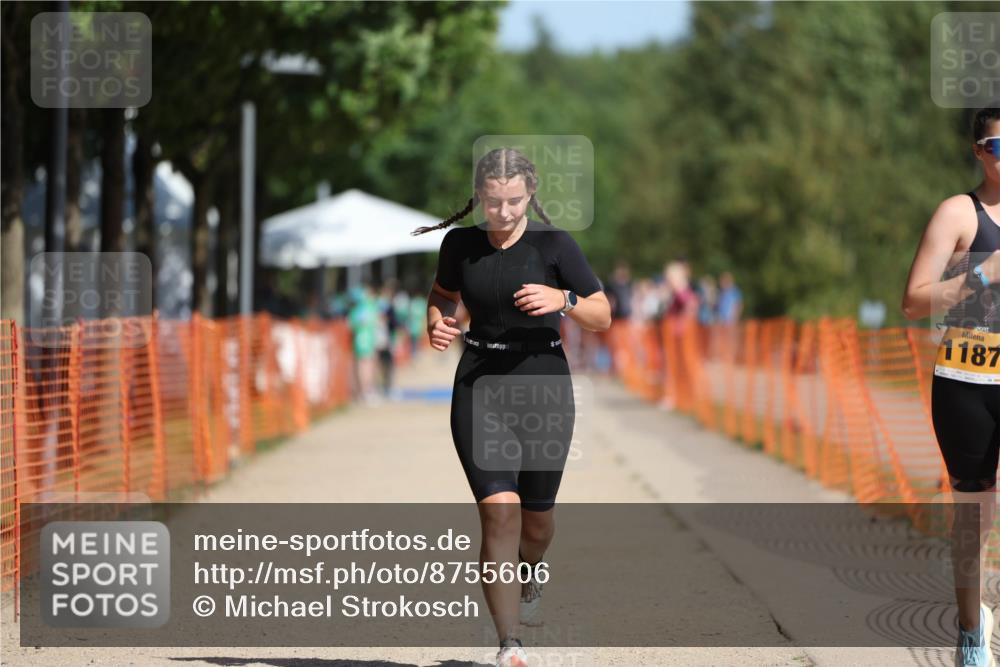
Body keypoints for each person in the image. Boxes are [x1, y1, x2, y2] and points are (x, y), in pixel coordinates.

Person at [412, 147, 611, 667]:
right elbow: (441, 295)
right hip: (480, 387)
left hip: (544, 387)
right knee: (499, 514)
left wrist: (563, 300)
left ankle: (531, 567)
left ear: (530, 196)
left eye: (514, 203)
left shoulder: (555, 246)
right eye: (493, 203)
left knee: (536, 524)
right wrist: (436, 321)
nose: (502, 214)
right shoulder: (460, 245)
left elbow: (602, 313)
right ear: (478, 197)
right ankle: (510, 645)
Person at [902, 104, 1000, 667]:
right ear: (979, 153)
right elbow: (913, 301)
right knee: (974, 517)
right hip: (968, 379)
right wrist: (985, 272)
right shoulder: (958, 214)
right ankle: (970, 629)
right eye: (997, 147)